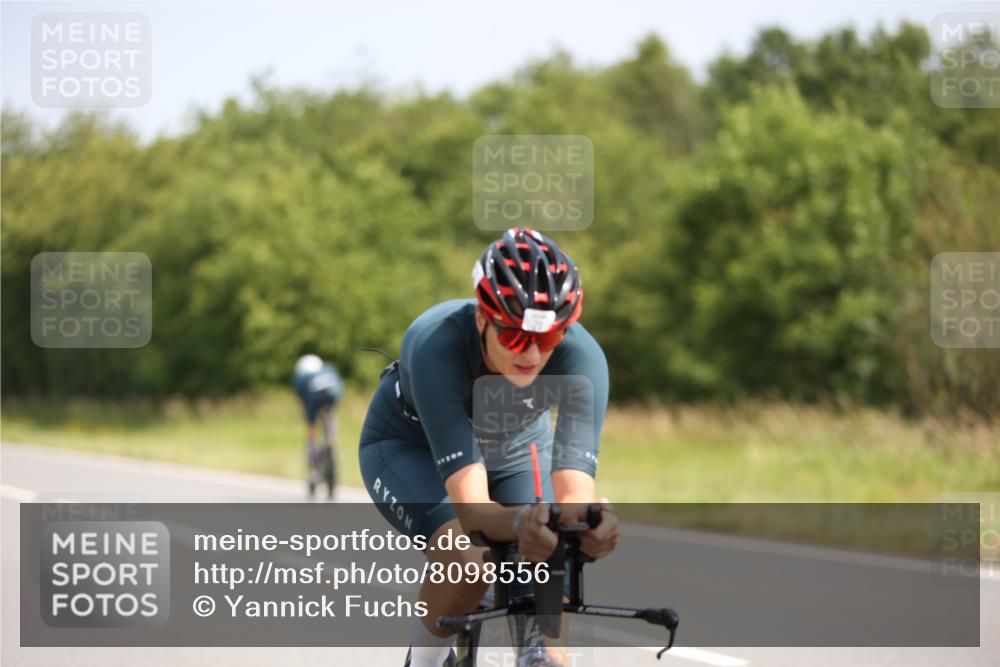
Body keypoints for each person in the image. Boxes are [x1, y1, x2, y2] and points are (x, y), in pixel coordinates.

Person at [359, 227, 619, 667]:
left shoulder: (583, 359)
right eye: (515, 337)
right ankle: (423, 661)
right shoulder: (435, 343)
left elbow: (575, 492)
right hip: (411, 445)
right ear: (482, 318)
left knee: (551, 559)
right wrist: (522, 522)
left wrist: (588, 525)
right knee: (469, 556)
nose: (532, 356)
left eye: (549, 338)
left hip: (515, 448)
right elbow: (475, 510)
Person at [292, 354, 343, 498]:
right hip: (332, 397)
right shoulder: (328, 369)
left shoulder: (301, 378)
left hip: (313, 401)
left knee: (312, 433)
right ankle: (333, 447)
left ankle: (313, 466)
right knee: (331, 420)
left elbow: (303, 403)